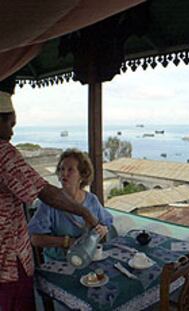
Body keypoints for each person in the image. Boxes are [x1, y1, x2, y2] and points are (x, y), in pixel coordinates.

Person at [0, 90, 100, 311]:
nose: (11, 133)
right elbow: (43, 191)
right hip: (7, 258)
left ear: (83, 175)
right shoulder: (3, 153)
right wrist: (84, 215)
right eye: (10, 124)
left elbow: (105, 227)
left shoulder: (91, 199)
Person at [28, 149, 113, 261]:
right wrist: (66, 242)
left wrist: (102, 229)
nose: (64, 173)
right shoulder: (50, 202)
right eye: (61, 169)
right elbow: (35, 239)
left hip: (87, 259)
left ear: (82, 175)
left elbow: (106, 223)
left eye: (70, 170)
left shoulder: (92, 200)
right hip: (59, 262)